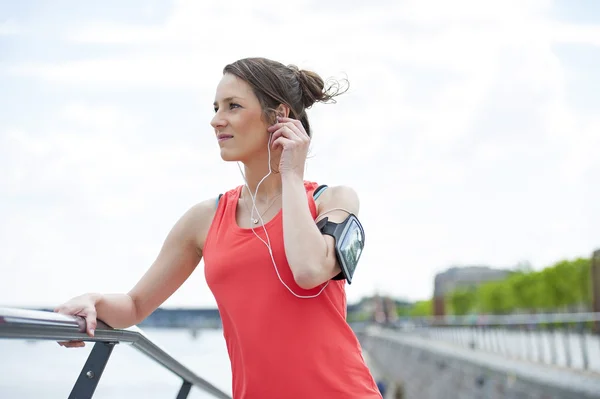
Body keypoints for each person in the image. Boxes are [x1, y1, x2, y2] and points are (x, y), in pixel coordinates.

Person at [54, 57, 382, 399]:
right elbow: (135, 306)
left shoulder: (334, 201)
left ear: (280, 117)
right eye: (215, 107)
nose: (215, 120)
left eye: (233, 106)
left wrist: (291, 175)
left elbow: (309, 270)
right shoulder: (203, 220)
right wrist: (92, 300)